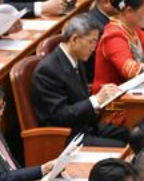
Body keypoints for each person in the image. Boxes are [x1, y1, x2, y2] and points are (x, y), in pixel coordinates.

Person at [32, 15, 129, 147]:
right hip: (68, 137)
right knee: (122, 146)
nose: (94, 47)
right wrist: (96, 100)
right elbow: (60, 115)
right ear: (74, 39)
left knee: (135, 135)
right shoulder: (47, 70)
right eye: (91, 42)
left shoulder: (76, 59)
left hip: (87, 127)